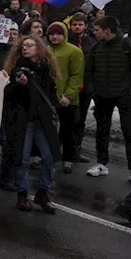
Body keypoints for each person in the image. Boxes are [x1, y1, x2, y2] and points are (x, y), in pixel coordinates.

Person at [83, 16, 131, 181]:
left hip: (125, 96)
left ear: (107, 31)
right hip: (102, 96)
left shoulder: (128, 46)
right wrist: (93, 92)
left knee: (129, 131)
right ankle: (101, 163)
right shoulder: (96, 48)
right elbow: (89, 72)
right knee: (102, 131)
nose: (94, 33)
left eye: (97, 30)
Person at [4, 35, 61, 213]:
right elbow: (8, 95)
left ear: (39, 48)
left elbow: (50, 95)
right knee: (23, 157)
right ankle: (22, 193)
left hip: (42, 119)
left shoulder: (46, 69)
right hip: (22, 119)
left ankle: (42, 192)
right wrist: (20, 85)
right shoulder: (16, 69)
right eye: (23, 46)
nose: (25, 48)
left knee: (50, 156)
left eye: (30, 45)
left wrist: (55, 111)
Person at [46, 21, 85, 172]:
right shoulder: (45, 50)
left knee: (68, 130)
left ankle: (67, 158)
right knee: (47, 129)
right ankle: (47, 156)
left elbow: (77, 76)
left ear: (64, 35)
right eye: (52, 34)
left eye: (58, 34)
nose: (55, 37)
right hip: (49, 97)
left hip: (67, 99)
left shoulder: (74, 51)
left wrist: (68, 95)